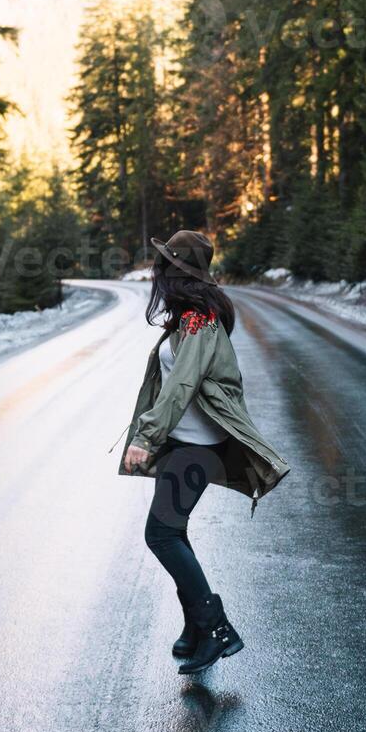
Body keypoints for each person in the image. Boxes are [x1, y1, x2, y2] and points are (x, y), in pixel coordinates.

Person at [120, 230, 291, 674]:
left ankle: (217, 630)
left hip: (195, 448)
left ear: (177, 271)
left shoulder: (199, 319)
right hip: (185, 443)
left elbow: (182, 384)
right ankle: (196, 628)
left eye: (163, 264)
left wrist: (146, 437)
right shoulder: (188, 317)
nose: (156, 271)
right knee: (173, 533)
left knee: (161, 536)